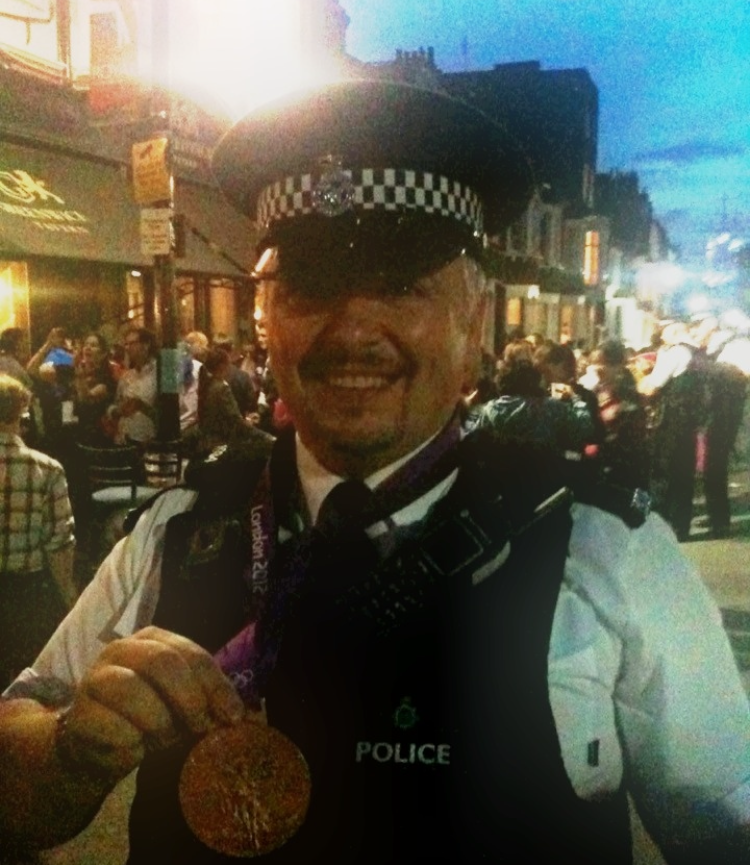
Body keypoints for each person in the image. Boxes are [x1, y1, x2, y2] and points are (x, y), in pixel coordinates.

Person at [0, 79, 748, 864]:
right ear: (268, 319)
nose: (354, 327)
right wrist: (65, 753)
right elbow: (17, 762)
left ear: (473, 322)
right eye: (312, 286)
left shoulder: (605, 547)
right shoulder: (182, 523)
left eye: (400, 286)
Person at [0, 373, 78, 688]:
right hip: (26, 595)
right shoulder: (46, 469)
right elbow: (59, 544)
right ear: (21, 412)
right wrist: (70, 599)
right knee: (23, 685)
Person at [638, 321, 708, 541]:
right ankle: (681, 526)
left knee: (664, 471)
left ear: (675, 333)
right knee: (683, 475)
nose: (662, 337)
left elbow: (653, 386)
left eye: (665, 333)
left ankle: (661, 526)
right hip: (689, 420)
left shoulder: (675, 352)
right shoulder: (698, 354)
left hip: (671, 420)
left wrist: (642, 379)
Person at [106, 326, 158, 447]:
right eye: (126, 344)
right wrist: (117, 410)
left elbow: (167, 414)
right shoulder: (127, 376)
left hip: (148, 443)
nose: (128, 348)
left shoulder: (159, 373)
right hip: (123, 440)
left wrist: (141, 406)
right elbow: (115, 405)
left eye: (132, 343)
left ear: (146, 344)